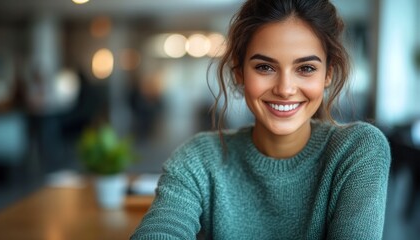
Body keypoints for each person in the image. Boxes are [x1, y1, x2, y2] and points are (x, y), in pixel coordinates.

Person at [131, 0, 391, 239]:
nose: (285, 88)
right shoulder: (198, 159)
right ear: (240, 72)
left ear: (328, 74)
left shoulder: (357, 150)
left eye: (306, 68)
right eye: (265, 67)